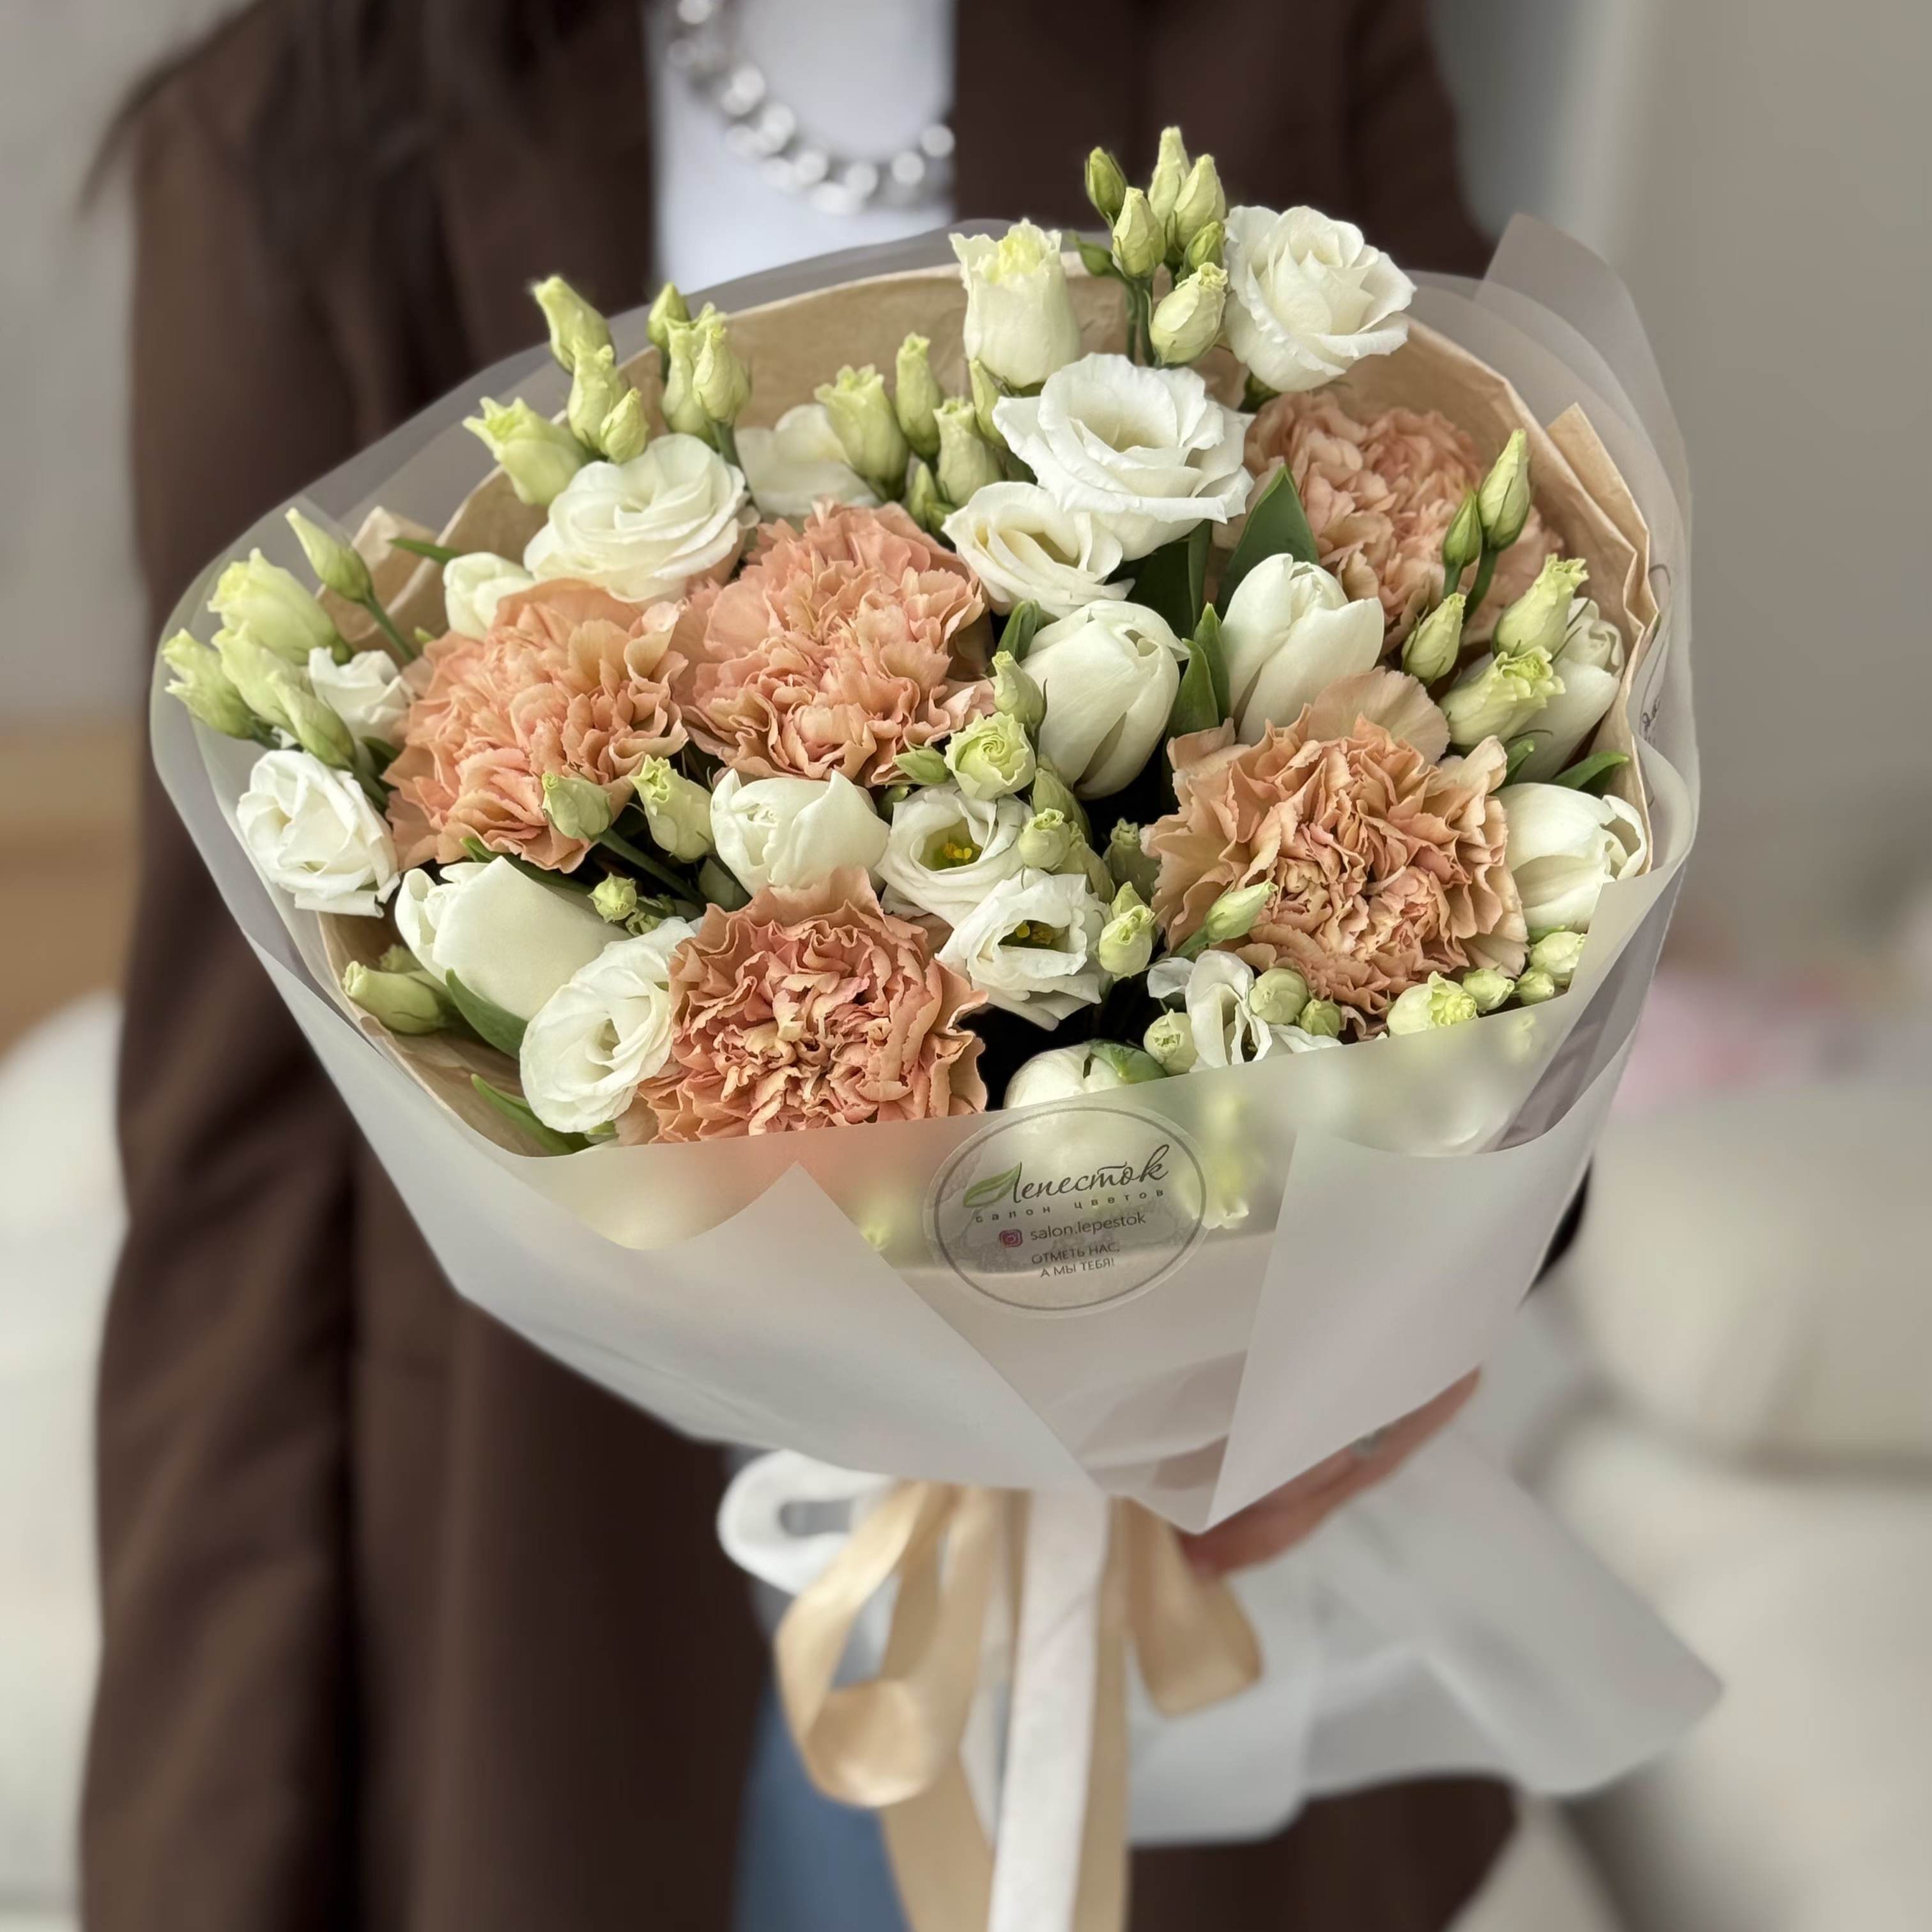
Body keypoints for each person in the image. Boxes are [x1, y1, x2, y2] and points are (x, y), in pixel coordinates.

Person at [86, 4, 1542, 1928]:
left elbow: (1513, 686)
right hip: (564, 1537)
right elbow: (247, 1125)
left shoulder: (1282, 31)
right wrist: (198, 1854)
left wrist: (1408, 1310)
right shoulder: (288, 135)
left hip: (1169, 1501)